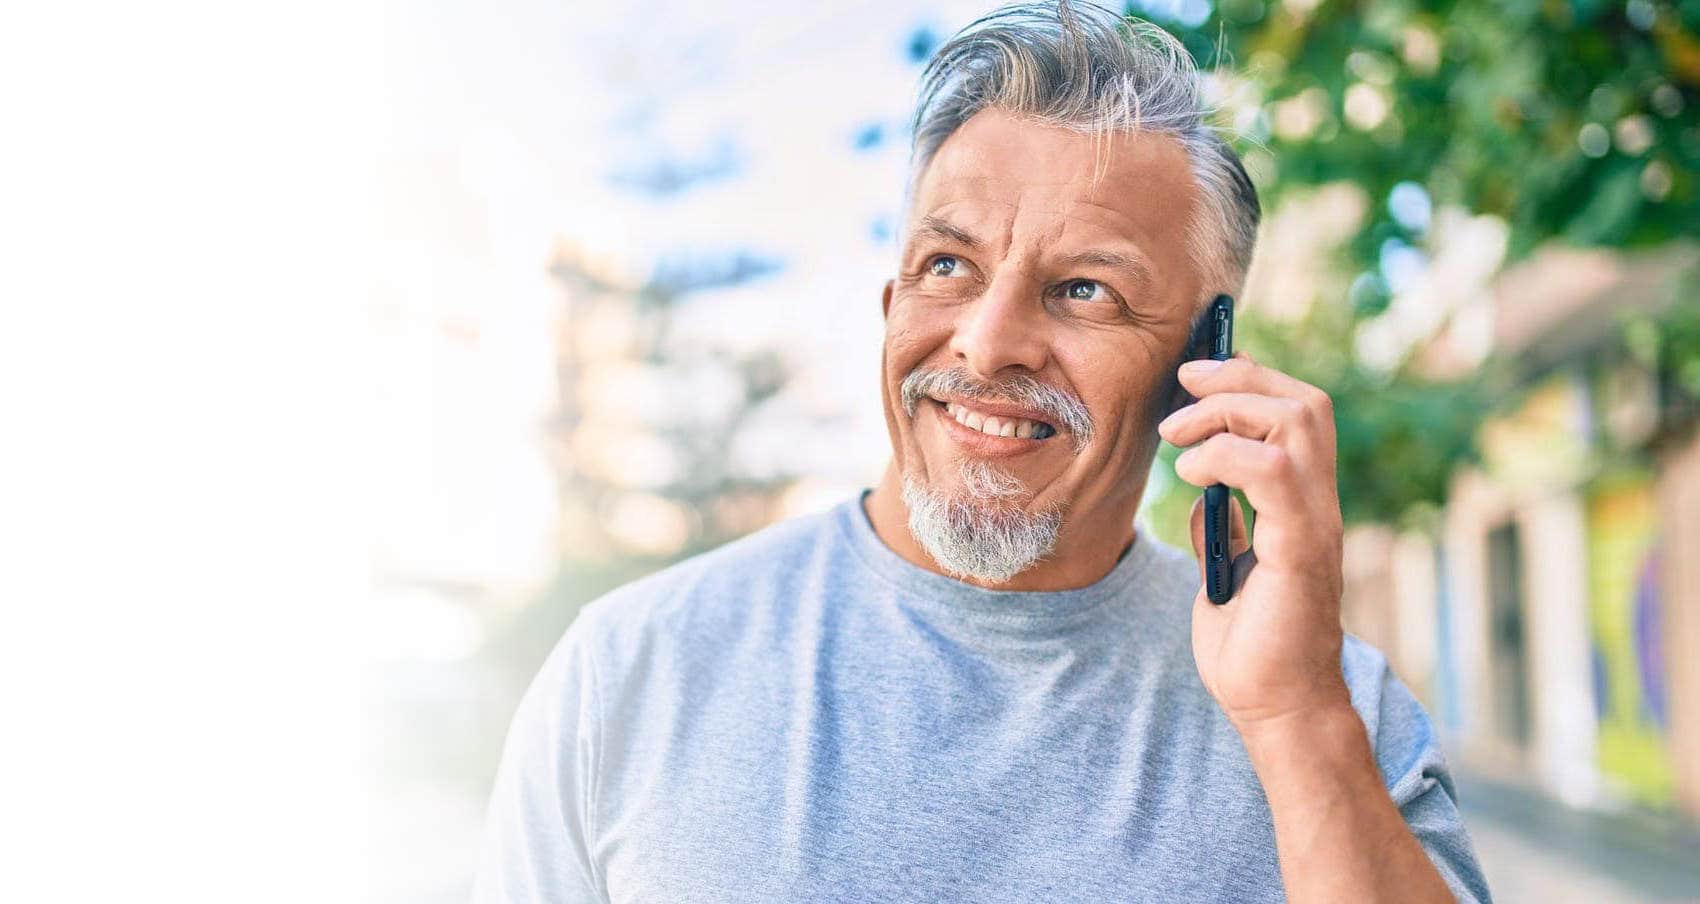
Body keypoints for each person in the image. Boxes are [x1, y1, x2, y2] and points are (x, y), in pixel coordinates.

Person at [474, 2, 1492, 901]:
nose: (987, 340)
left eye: (1084, 288)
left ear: (1203, 364)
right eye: (947, 265)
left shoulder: (1330, 710)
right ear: (891, 306)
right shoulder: (625, 672)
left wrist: (1292, 720)